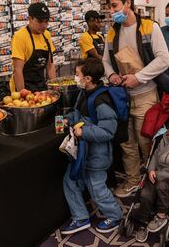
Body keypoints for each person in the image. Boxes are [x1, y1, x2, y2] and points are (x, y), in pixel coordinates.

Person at [102, 0, 169, 198]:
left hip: (146, 95)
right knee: (127, 142)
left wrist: (138, 77)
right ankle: (132, 179)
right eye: (109, 8)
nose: (111, 11)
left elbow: (163, 60)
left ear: (128, 3)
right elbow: (106, 61)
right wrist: (111, 75)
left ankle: (155, 182)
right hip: (122, 98)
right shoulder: (112, 33)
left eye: (114, 6)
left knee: (146, 142)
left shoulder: (150, 27)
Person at [61, 58, 123, 235]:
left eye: (77, 74)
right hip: (82, 152)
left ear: (87, 78)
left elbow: (108, 130)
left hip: (97, 155)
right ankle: (80, 217)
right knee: (70, 181)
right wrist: (69, 119)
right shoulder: (84, 93)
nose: (75, 77)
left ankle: (115, 215)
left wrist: (84, 132)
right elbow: (80, 114)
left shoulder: (101, 100)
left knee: (96, 188)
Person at [10, 2, 56, 93]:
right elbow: (18, 70)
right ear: (30, 19)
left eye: (46, 21)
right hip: (23, 86)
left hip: (40, 85)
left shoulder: (47, 35)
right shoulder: (20, 37)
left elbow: (50, 65)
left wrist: (55, 87)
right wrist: (22, 95)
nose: (44, 26)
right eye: (39, 21)